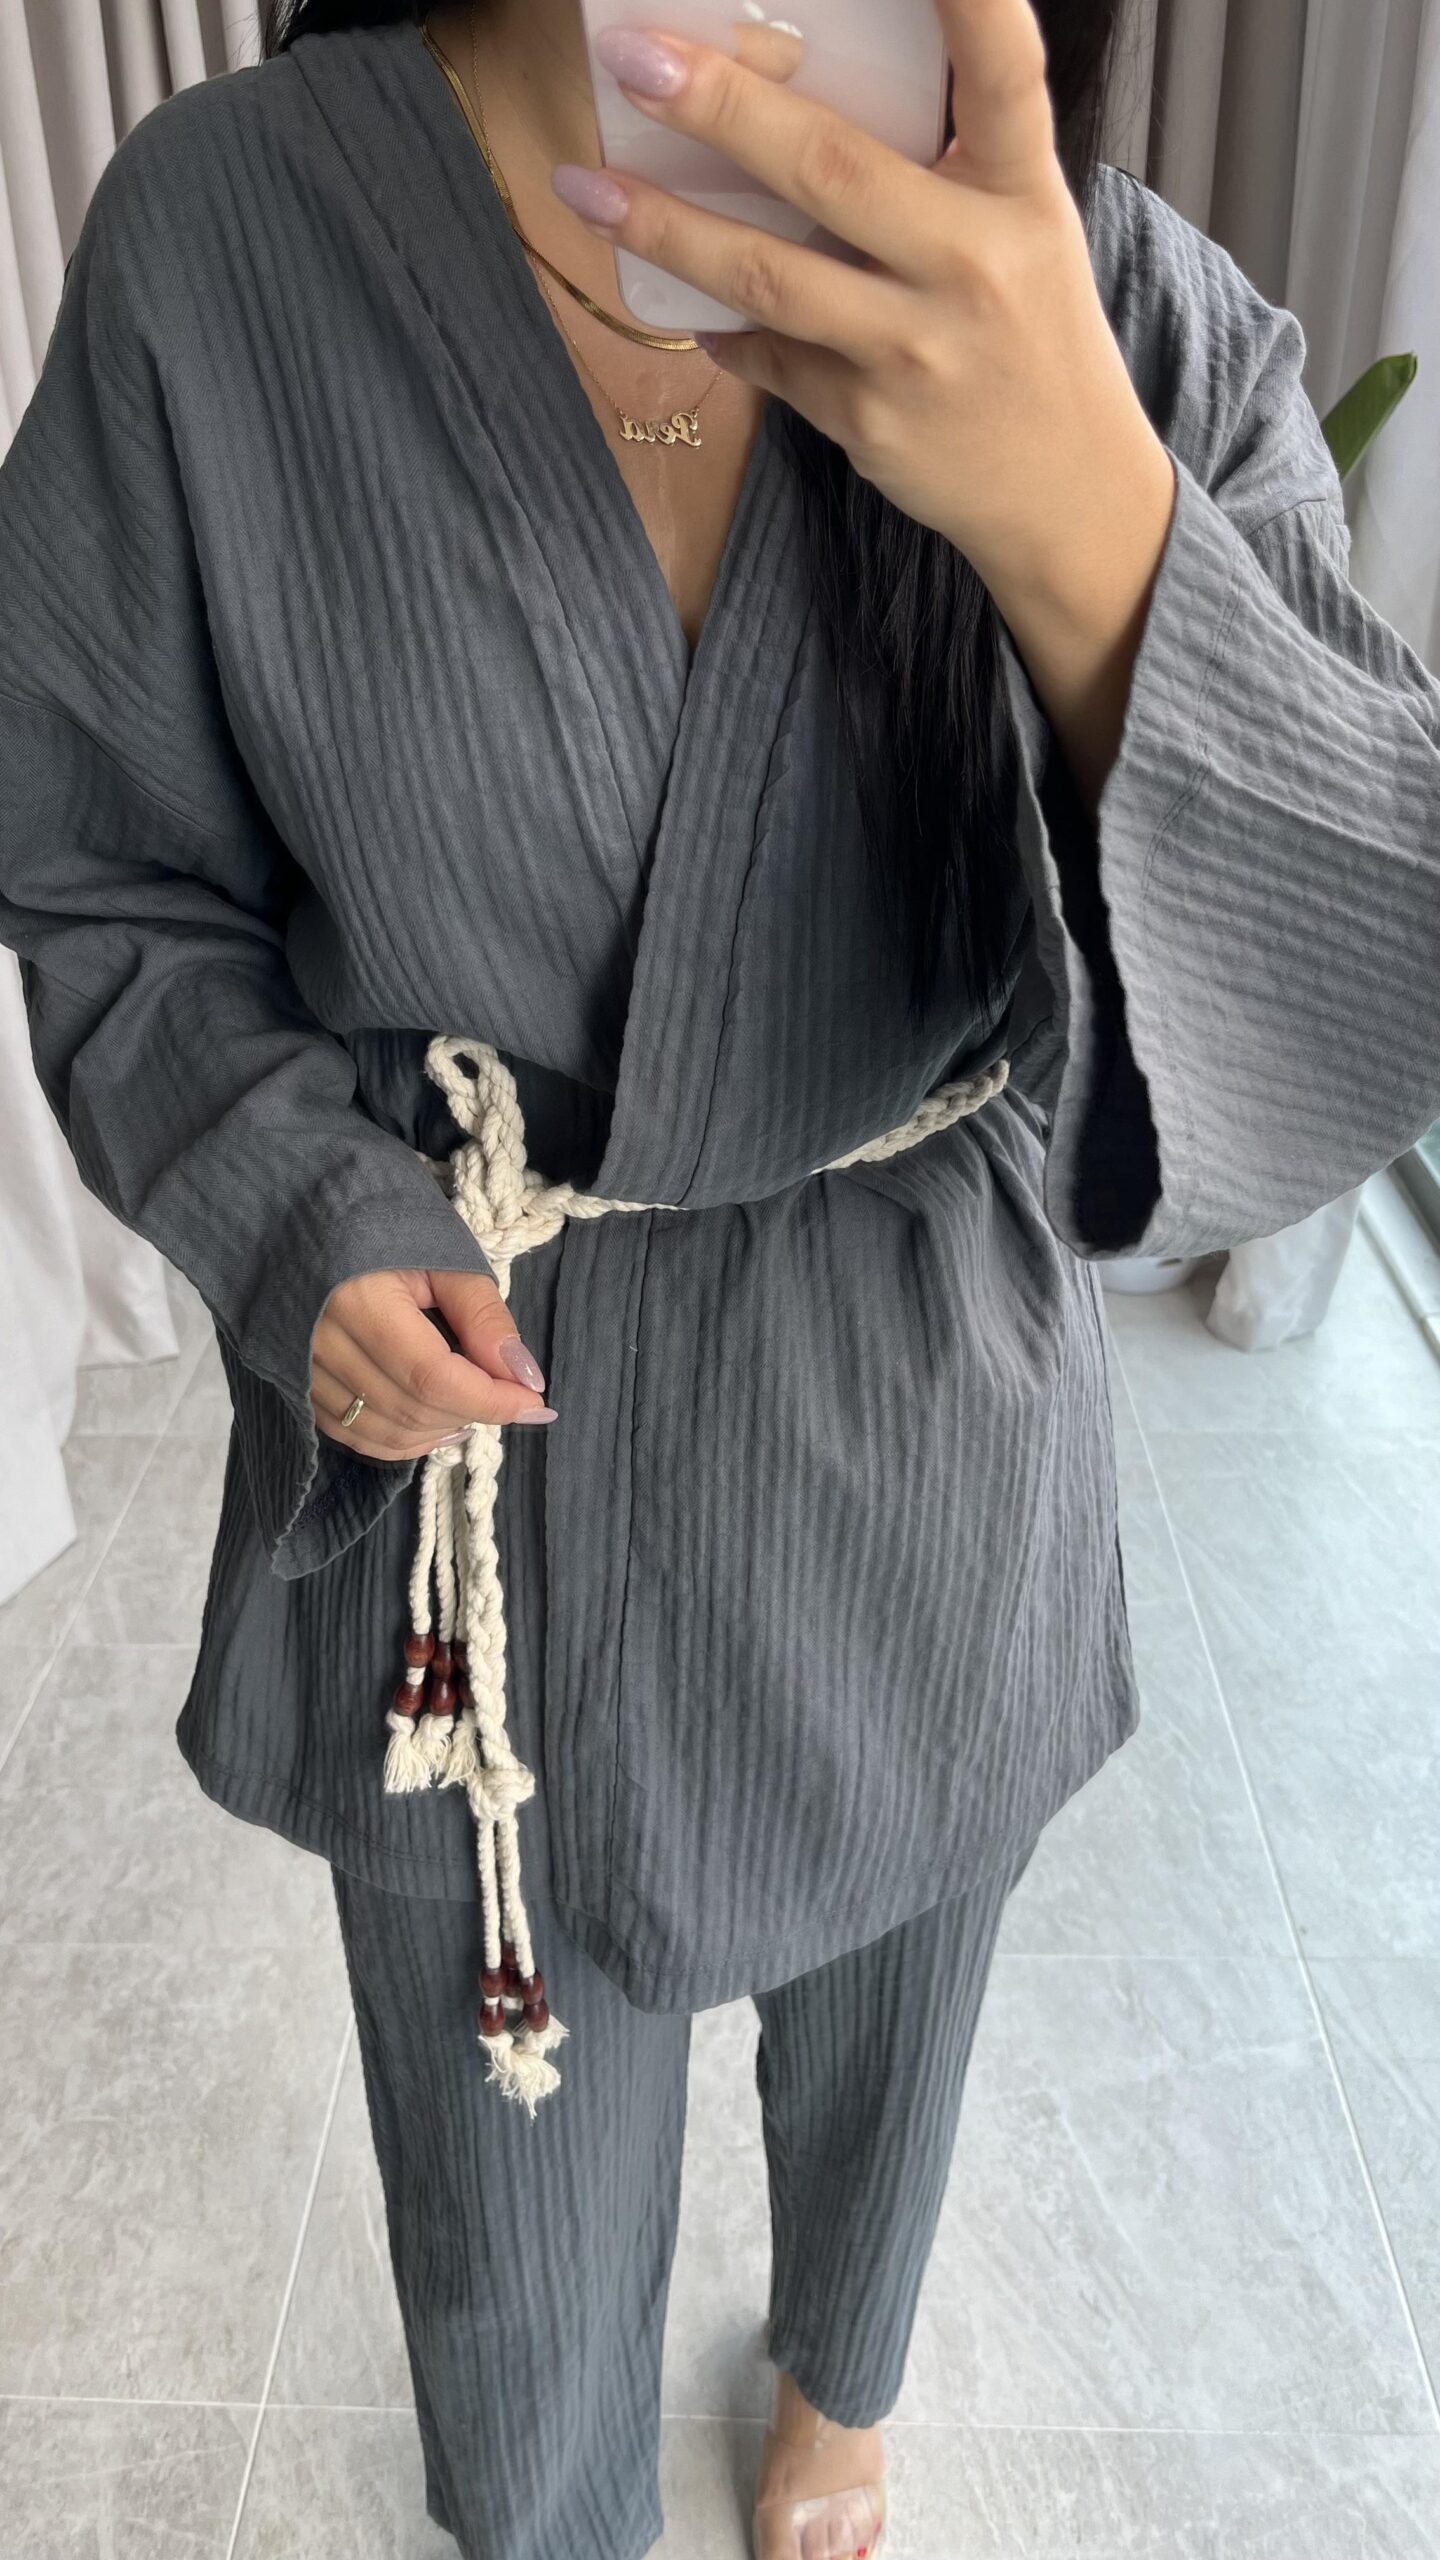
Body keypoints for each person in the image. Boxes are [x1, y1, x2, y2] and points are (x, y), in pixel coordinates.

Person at [2, 1, 1437, 2553]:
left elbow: (1363, 996)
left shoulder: (1118, 301)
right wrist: (292, 1210)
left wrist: (1088, 527)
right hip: (477, 1458)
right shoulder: (220, 245)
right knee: (506, 2168)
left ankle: (844, 2369)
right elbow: (100, 862)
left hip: (922, 1427)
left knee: (906, 1995)